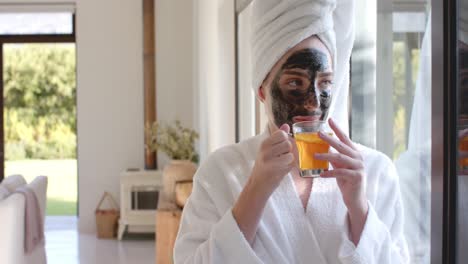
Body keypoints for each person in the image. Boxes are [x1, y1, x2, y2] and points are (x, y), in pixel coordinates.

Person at [174, 0, 409, 263]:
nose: (313, 102)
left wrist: (360, 209)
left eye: (326, 83)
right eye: (295, 82)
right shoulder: (220, 172)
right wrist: (256, 189)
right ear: (262, 90)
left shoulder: (375, 172)